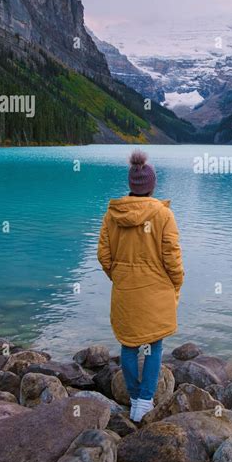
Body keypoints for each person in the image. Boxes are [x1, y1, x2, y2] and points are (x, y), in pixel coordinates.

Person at [97, 150, 184, 422]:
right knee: (154, 344)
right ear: (152, 185)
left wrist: (120, 276)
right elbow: (172, 257)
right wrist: (176, 282)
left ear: (131, 185)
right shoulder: (163, 215)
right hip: (156, 289)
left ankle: (134, 398)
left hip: (125, 289)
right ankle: (145, 400)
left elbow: (103, 255)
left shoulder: (113, 214)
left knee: (128, 344)